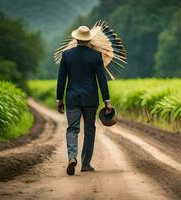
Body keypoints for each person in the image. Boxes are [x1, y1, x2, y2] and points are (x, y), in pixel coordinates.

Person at [56, 25, 112, 175]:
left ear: (75, 39)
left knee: (72, 129)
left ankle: (72, 157)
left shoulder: (66, 55)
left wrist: (59, 99)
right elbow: (102, 81)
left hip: (72, 98)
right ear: (89, 40)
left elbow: (61, 79)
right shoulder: (96, 56)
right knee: (89, 130)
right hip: (90, 99)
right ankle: (86, 163)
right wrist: (107, 101)